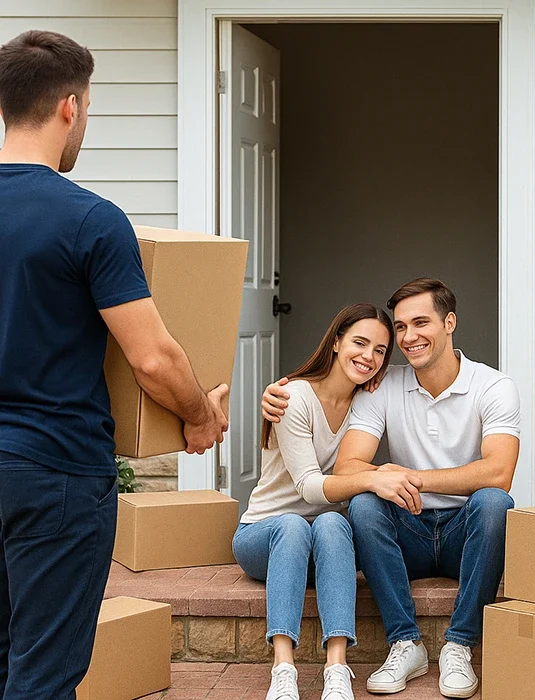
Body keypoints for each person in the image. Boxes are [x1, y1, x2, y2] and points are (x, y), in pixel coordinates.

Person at [0, 30, 229, 698]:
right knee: (41, 674)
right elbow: (153, 358)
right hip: (54, 472)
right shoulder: (90, 221)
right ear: (70, 106)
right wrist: (199, 414)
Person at [263, 279, 520, 699]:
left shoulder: (493, 386)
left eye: (421, 323)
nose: (409, 337)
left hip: (464, 534)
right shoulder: (383, 386)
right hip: (409, 533)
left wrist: (408, 477)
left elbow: (499, 472)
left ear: (450, 322)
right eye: (400, 328)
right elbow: (349, 466)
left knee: (494, 503)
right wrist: (380, 477)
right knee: (363, 503)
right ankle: (406, 643)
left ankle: (459, 645)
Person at [235, 303, 425, 700]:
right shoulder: (292, 398)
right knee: (293, 523)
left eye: (379, 351)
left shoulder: (365, 401)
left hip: (325, 543)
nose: (368, 357)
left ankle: (336, 669)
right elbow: (307, 487)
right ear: (336, 342)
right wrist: (374, 477)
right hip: (264, 537)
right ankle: (283, 669)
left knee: (335, 522)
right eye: (359, 343)